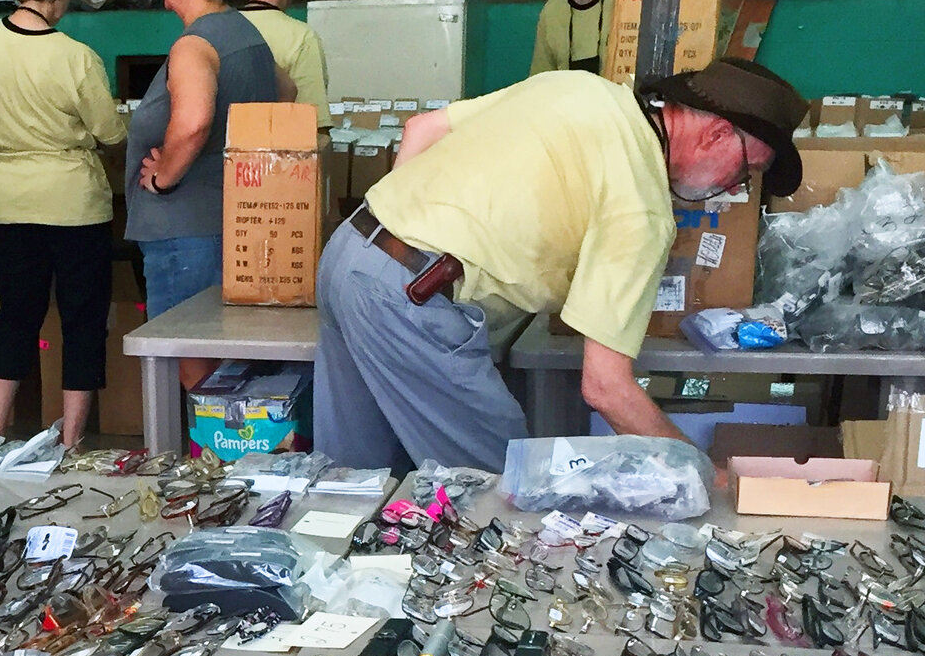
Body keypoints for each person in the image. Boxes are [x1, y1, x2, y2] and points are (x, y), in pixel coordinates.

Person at [313, 61, 806, 474]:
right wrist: (703, 474)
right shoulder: (642, 207)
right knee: (499, 498)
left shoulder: (581, 88)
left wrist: (399, 245)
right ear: (717, 133)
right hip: (413, 298)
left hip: (350, 250)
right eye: (746, 170)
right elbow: (606, 387)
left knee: (356, 484)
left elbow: (422, 128)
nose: (735, 186)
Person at [0, 0, 126, 449]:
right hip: (73, 203)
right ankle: (71, 441)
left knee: (17, 313)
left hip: (8, 200)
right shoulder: (75, 57)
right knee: (81, 320)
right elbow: (110, 132)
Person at [124, 0, 286, 390]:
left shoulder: (193, 46)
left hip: (186, 235)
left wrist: (163, 176)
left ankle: (210, 461)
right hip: (236, 228)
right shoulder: (247, 36)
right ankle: (234, 459)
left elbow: (194, 121)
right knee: (233, 368)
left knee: (196, 370)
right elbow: (288, 92)